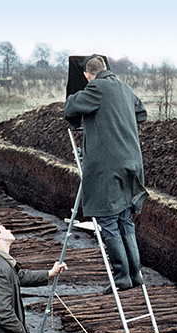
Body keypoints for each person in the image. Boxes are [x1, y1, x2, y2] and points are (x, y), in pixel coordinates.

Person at [63, 56, 148, 294]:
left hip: (109, 167)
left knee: (108, 220)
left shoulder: (96, 88)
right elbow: (142, 114)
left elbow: (70, 106)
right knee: (125, 219)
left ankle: (122, 277)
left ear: (88, 76)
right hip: (132, 163)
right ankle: (136, 275)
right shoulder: (125, 87)